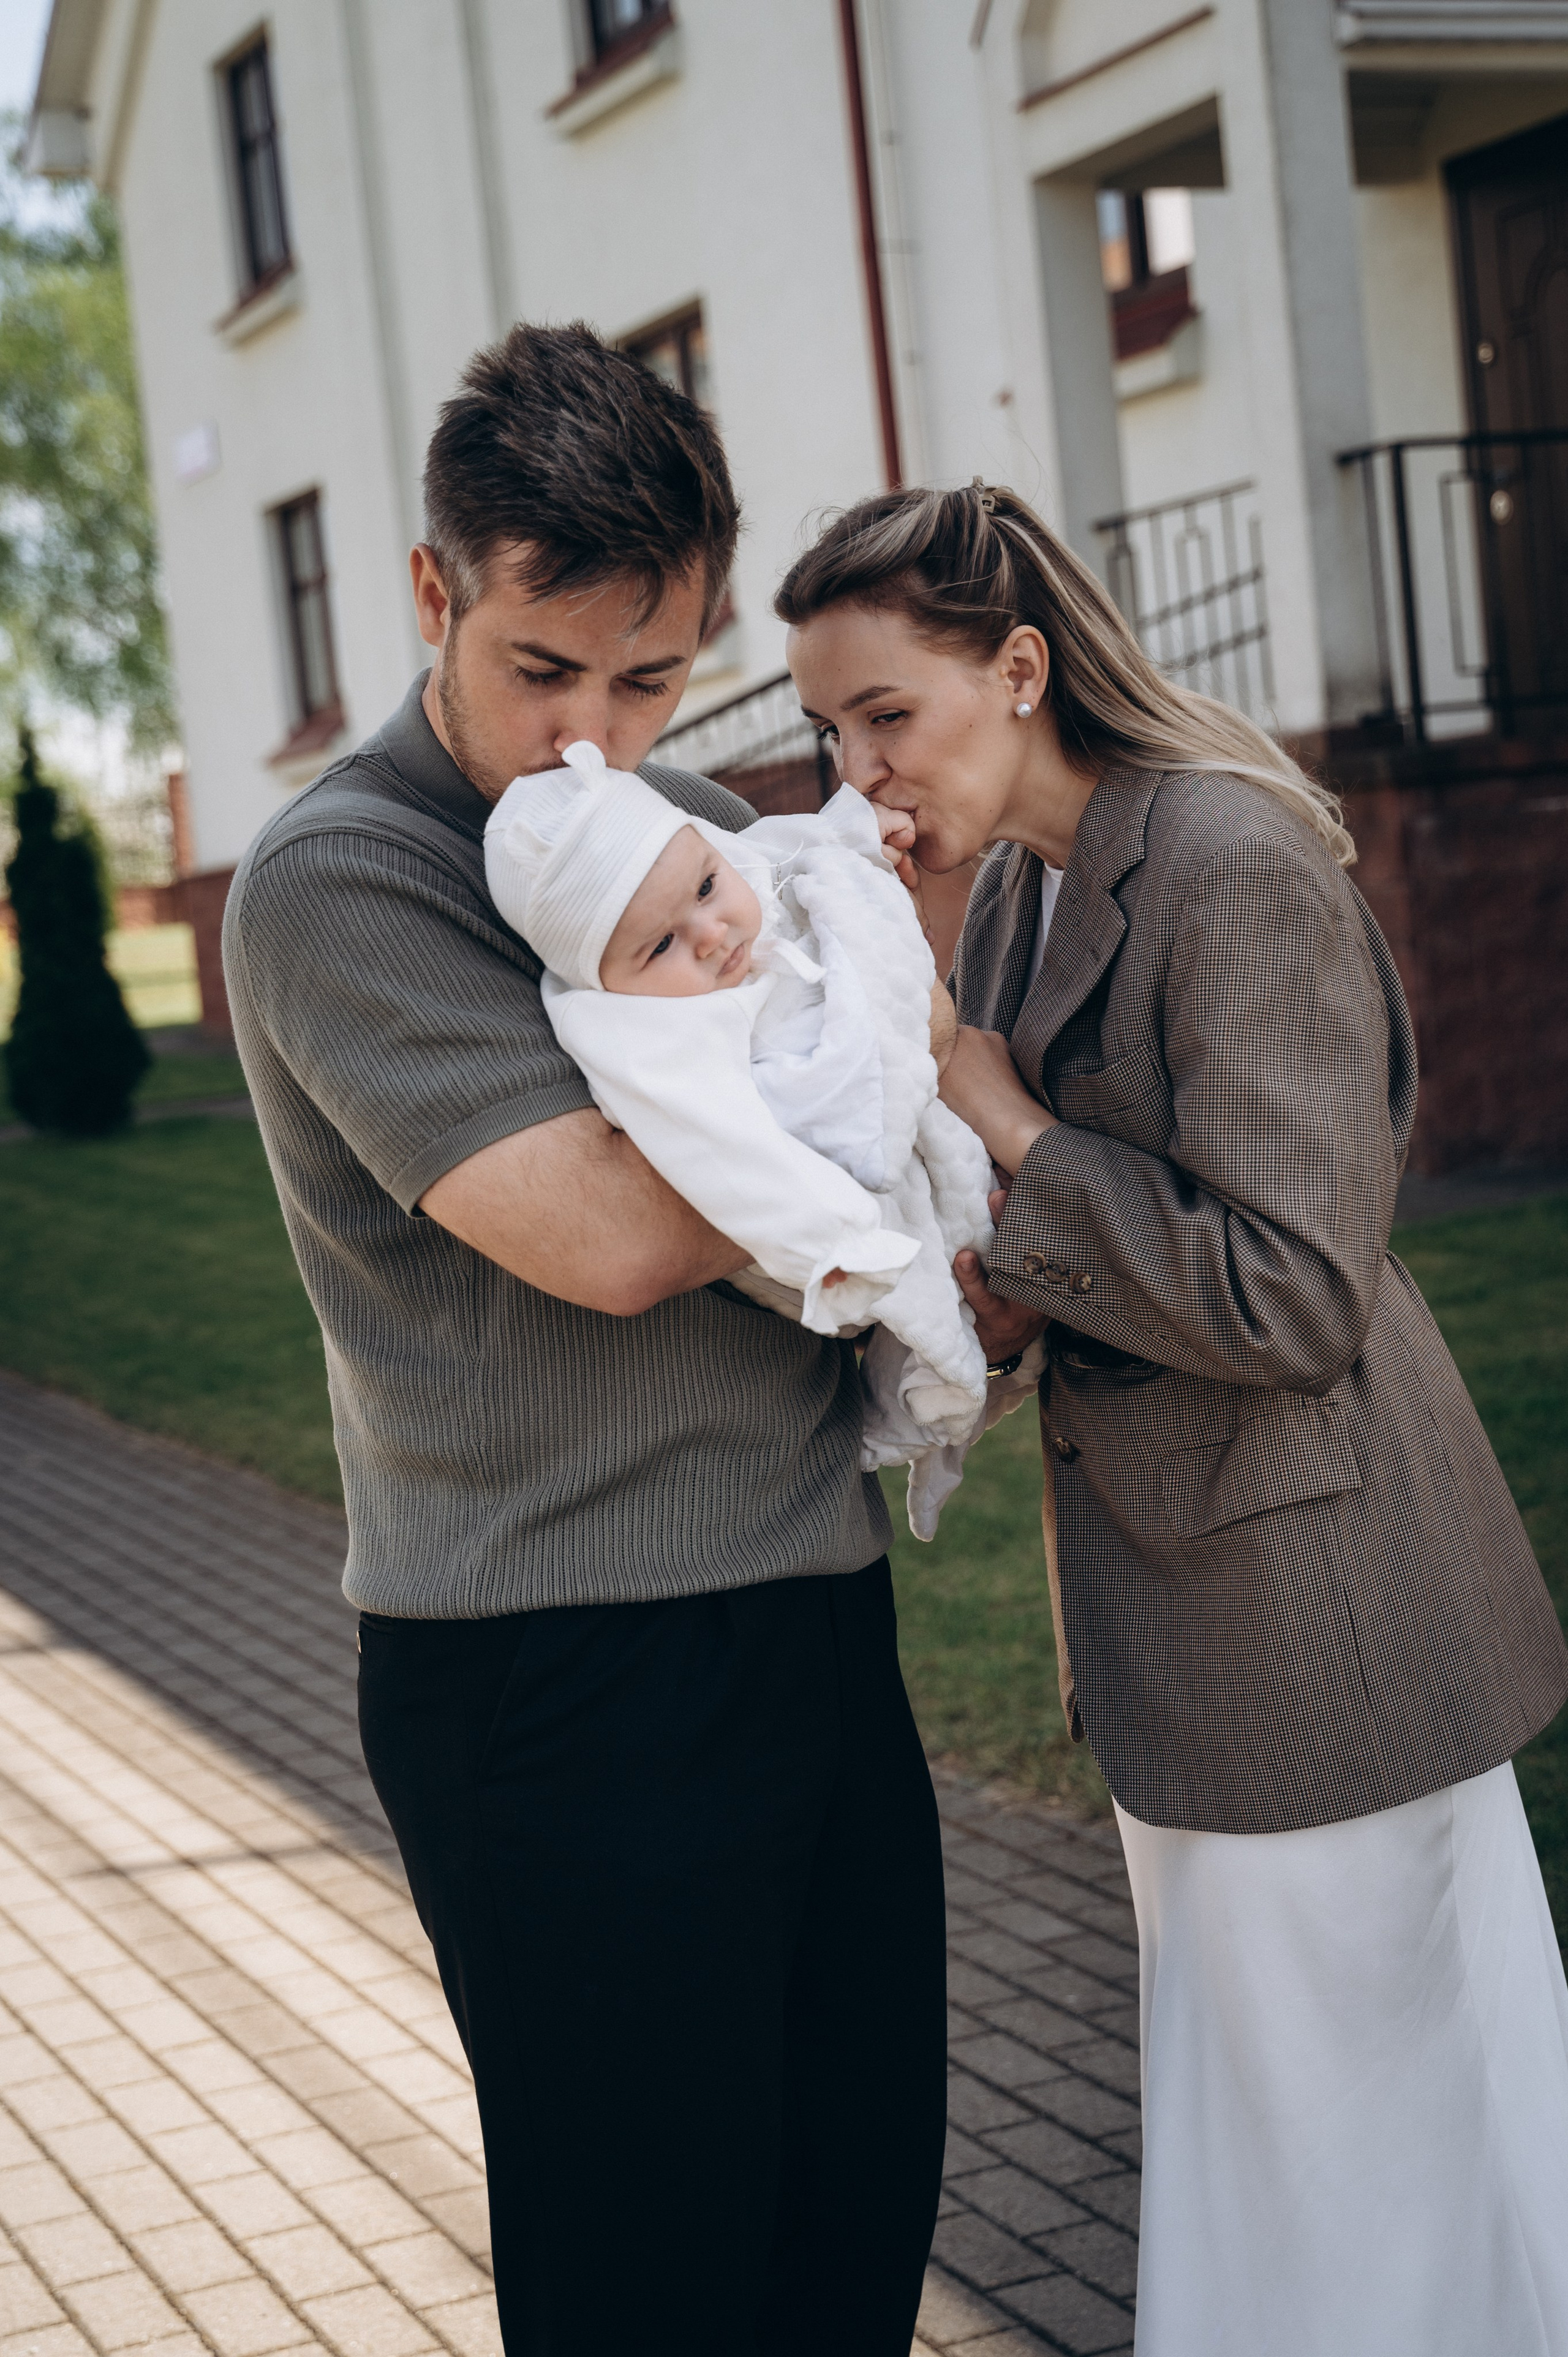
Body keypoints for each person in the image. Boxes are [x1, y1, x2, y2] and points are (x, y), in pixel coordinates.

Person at [778, 479, 1568, 2357]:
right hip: (1189, 1625)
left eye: (886, 714)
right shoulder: (1023, 887)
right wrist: (1004, 1293)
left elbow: (1290, 1288)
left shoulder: (1227, 859)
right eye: (829, 731)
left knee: (1375, 2146)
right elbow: (1109, 1233)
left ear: (1020, 669)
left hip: (1322, 1618)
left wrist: (1007, 1118)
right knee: (1277, 2136)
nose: (860, 770)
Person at [221, 324, 947, 2357]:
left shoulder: (676, 819)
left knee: (851, 2233)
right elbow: (619, 1238)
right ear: (433, 590)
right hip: (556, 1672)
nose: (593, 742)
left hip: (812, 1617)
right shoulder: (339, 879)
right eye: (547, 667)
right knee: (651, 2285)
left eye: (652, 678)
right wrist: (865, 1089)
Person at [481, 736, 1019, 1533]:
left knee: (973, 1219)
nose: (711, 933)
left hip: (902, 1109)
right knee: (928, 1300)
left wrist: (857, 833)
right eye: (661, 945)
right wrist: (833, 1244)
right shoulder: (642, 1044)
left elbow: (786, 847)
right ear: (605, 981)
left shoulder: (721, 867)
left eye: (706, 887)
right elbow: (733, 1161)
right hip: (825, 1203)